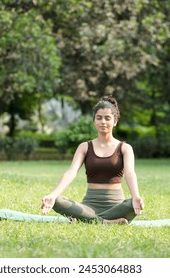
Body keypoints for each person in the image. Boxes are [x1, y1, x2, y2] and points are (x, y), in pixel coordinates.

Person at [41, 95, 144, 224]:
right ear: (94, 121)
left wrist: (135, 196)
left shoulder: (125, 148)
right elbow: (71, 172)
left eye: (108, 118)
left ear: (115, 121)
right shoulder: (84, 147)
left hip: (116, 207)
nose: (103, 122)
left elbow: (130, 173)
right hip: (88, 207)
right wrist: (53, 194)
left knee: (132, 204)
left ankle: (86, 221)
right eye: (99, 118)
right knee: (57, 200)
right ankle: (105, 222)